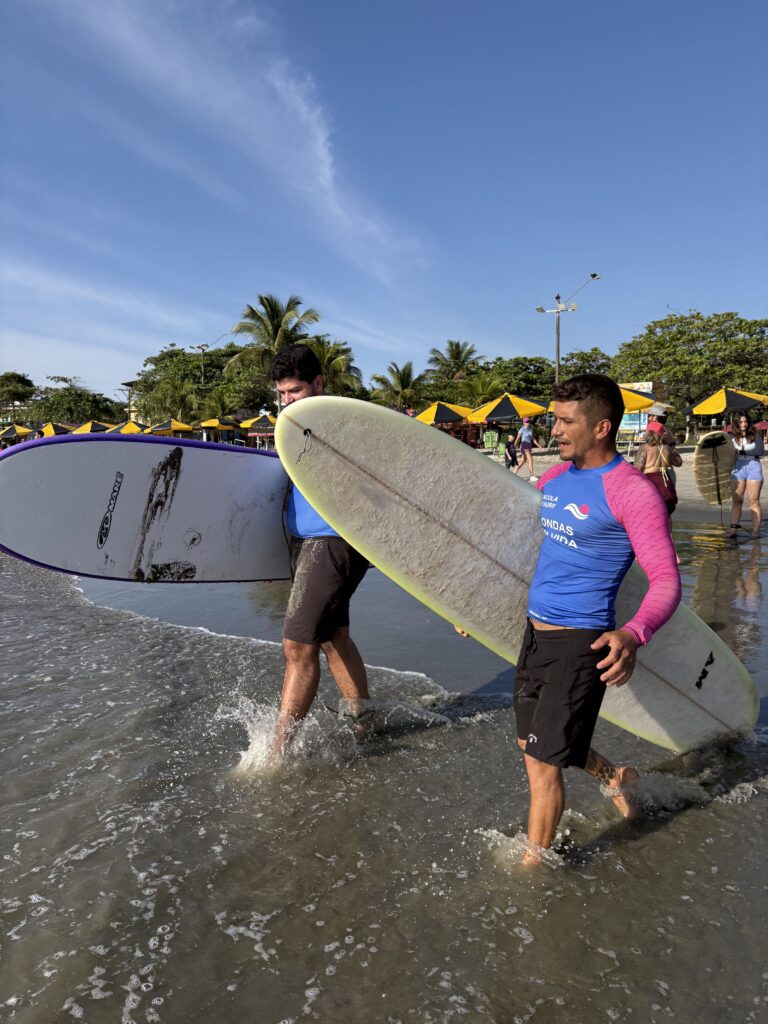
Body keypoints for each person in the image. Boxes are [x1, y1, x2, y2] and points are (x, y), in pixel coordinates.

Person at [514, 374, 681, 864]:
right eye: (554, 418)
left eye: (567, 421)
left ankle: (531, 873)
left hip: (581, 640)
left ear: (602, 426)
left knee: (544, 767)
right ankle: (614, 776)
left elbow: (667, 580)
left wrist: (633, 633)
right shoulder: (553, 479)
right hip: (534, 633)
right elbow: (524, 547)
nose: (555, 430)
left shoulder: (632, 492)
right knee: (531, 741)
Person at [269, 345, 371, 752]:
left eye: (295, 391)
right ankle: (364, 722)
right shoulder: (290, 427)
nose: (287, 401)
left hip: (332, 541)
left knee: (298, 645)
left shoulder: (343, 424)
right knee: (333, 637)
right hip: (304, 541)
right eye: (282, 394)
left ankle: (277, 752)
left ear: (319, 384)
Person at [730, 412, 764, 538]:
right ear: (736, 423)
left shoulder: (756, 433)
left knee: (753, 501)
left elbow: (759, 450)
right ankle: (733, 530)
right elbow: (725, 452)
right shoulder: (731, 436)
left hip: (753, 465)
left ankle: (755, 531)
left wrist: (739, 450)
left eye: (745, 421)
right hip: (737, 466)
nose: (744, 424)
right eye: (741, 422)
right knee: (737, 500)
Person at [634, 428, 682, 516]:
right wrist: (674, 449)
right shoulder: (667, 448)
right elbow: (678, 463)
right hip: (666, 481)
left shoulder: (644, 448)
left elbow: (638, 468)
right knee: (667, 514)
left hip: (651, 481)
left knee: (650, 513)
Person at [513, 417, 542, 481]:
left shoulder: (530, 429)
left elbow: (533, 439)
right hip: (524, 445)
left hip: (529, 445)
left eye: (528, 421)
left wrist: (537, 445)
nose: (528, 423)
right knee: (530, 459)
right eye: (526, 422)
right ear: (523, 423)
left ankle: (514, 472)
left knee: (523, 460)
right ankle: (532, 475)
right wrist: (514, 445)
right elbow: (518, 438)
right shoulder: (522, 429)